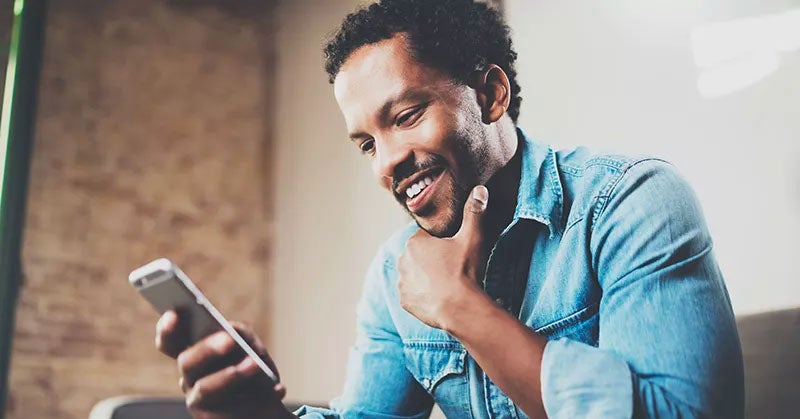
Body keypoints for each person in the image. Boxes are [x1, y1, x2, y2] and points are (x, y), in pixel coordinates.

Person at [155, 0, 745, 417]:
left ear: (490, 95)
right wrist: (260, 413)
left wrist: (462, 308)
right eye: (367, 143)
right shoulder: (395, 275)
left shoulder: (632, 204)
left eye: (405, 117)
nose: (386, 163)